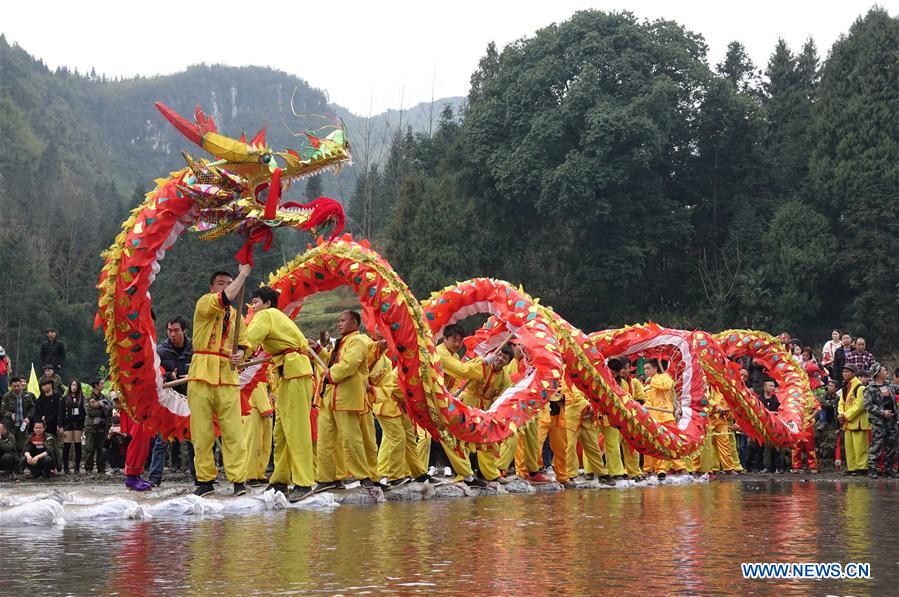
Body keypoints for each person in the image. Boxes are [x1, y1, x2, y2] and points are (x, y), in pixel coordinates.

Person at [245, 285, 316, 501]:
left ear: (267, 303)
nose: (253, 307)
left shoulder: (266, 315)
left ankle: (304, 482)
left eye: (256, 302)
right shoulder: (276, 318)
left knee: (296, 428)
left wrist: (237, 353)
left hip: (295, 372)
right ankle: (280, 480)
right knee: (282, 431)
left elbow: (249, 340)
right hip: (289, 373)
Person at [188, 266, 252, 497]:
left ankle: (238, 481)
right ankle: (205, 480)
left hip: (227, 376)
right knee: (202, 432)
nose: (226, 287)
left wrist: (240, 354)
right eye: (221, 283)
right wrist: (242, 275)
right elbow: (225, 298)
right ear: (212, 287)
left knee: (234, 432)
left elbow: (244, 344)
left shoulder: (237, 316)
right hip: (201, 374)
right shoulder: (205, 303)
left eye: (229, 282)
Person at [314, 310, 375, 490]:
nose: (339, 324)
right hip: (330, 397)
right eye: (338, 321)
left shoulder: (358, 341)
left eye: (343, 321)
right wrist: (317, 349)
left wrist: (331, 373)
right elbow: (331, 362)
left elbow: (350, 364)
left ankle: (363, 476)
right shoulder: (341, 343)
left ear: (354, 323)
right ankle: (326, 478)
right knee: (325, 439)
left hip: (346, 398)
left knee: (351, 439)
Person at [150, 315, 195, 486]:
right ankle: (154, 478)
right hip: (169, 401)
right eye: (169, 331)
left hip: (190, 399)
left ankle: (200, 478)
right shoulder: (161, 351)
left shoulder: (194, 349)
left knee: (194, 440)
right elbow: (155, 374)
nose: (172, 334)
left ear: (184, 330)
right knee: (161, 441)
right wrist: (168, 376)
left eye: (176, 330)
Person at [457, 344, 513, 482]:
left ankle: (491, 474)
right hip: (468, 403)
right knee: (462, 438)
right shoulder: (483, 363)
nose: (500, 359)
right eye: (499, 355)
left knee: (486, 440)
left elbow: (504, 398)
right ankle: (462, 475)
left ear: (508, 363)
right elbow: (465, 370)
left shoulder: (505, 379)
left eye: (504, 358)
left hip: (485, 409)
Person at [641, 360, 685, 478]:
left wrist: (652, 381)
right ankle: (648, 468)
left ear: (656, 369)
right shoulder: (646, 385)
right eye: (644, 369)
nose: (645, 371)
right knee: (651, 443)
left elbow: (666, 386)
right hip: (652, 418)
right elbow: (646, 401)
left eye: (648, 368)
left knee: (671, 442)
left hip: (666, 415)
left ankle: (678, 467)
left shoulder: (665, 377)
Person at [863, 362, 896, 478]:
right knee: (876, 445)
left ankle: (888, 469)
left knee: (891, 445)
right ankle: (872, 469)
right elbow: (867, 405)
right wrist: (882, 412)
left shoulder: (890, 385)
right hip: (878, 421)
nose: (886, 372)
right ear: (877, 373)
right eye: (884, 371)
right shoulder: (869, 388)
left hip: (891, 420)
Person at [837, 364, 869, 476]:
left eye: (847, 371)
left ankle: (862, 467)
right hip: (848, 421)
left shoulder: (860, 387)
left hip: (858, 421)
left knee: (860, 446)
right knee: (849, 447)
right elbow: (841, 402)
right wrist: (841, 413)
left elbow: (860, 406)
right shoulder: (845, 387)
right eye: (843, 371)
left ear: (853, 373)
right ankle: (852, 467)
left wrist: (845, 415)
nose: (844, 373)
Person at [1, 376, 36, 456]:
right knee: (11, 447)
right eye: (14, 386)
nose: (17, 388)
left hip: (23, 425)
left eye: (18, 386)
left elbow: (32, 408)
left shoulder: (27, 395)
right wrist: (11, 415)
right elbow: (3, 410)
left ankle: (20, 462)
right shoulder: (6, 396)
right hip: (11, 426)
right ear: (11, 386)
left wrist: (28, 417)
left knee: (22, 447)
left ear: (21, 385)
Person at [83, 379, 111, 474]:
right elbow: (89, 411)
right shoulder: (88, 398)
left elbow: (110, 409)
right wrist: (103, 407)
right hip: (91, 427)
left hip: (103, 426)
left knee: (102, 448)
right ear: (96, 385)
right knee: (90, 448)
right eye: (101, 383)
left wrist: (98, 405)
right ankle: (88, 468)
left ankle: (101, 468)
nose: (103, 385)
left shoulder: (105, 397)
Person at [59, 379, 86, 473]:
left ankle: (77, 467)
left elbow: (84, 413)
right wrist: (61, 426)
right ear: (70, 386)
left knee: (78, 445)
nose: (74, 387)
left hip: (78, 423)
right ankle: (66, 467)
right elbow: (61, 413)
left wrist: (84, 425)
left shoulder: (82, 398)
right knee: (67, 445)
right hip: (67, 423)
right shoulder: (65, 399)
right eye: (72, 385)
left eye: (76, 385)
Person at [790, 391, 820, 474]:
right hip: (796, 422)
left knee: (809, 445)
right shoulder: (794, 395)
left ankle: (813, 466)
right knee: (796, 445)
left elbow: (818, 408)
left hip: (807, 423)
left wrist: (810, 417)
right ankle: (796, 466)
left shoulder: (810, 395)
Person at [35, 380, 62, 467]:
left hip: (52, 425)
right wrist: (40, 421)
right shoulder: (40, 398)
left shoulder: (56, 397)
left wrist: (47, 421)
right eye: (42, 385)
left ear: (50, 385)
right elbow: (37, 411)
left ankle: (55, 465)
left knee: (52, 445)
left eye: (44, 385)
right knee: (41, 445)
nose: (43, 387)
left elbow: (56, 412)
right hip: (41, 426)